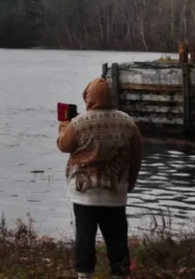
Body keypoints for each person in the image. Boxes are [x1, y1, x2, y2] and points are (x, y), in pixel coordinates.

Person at [57, 77, 143, 279]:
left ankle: (84, 275)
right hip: (115, 192)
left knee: (85, 237)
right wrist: (130, 183)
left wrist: (63, 124)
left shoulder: (79, 123)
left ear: (88, 97)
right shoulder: (128, 123)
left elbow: (64, 145)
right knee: (117, 238)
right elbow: (136, 156)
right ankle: (120, 274)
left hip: (85, 193)